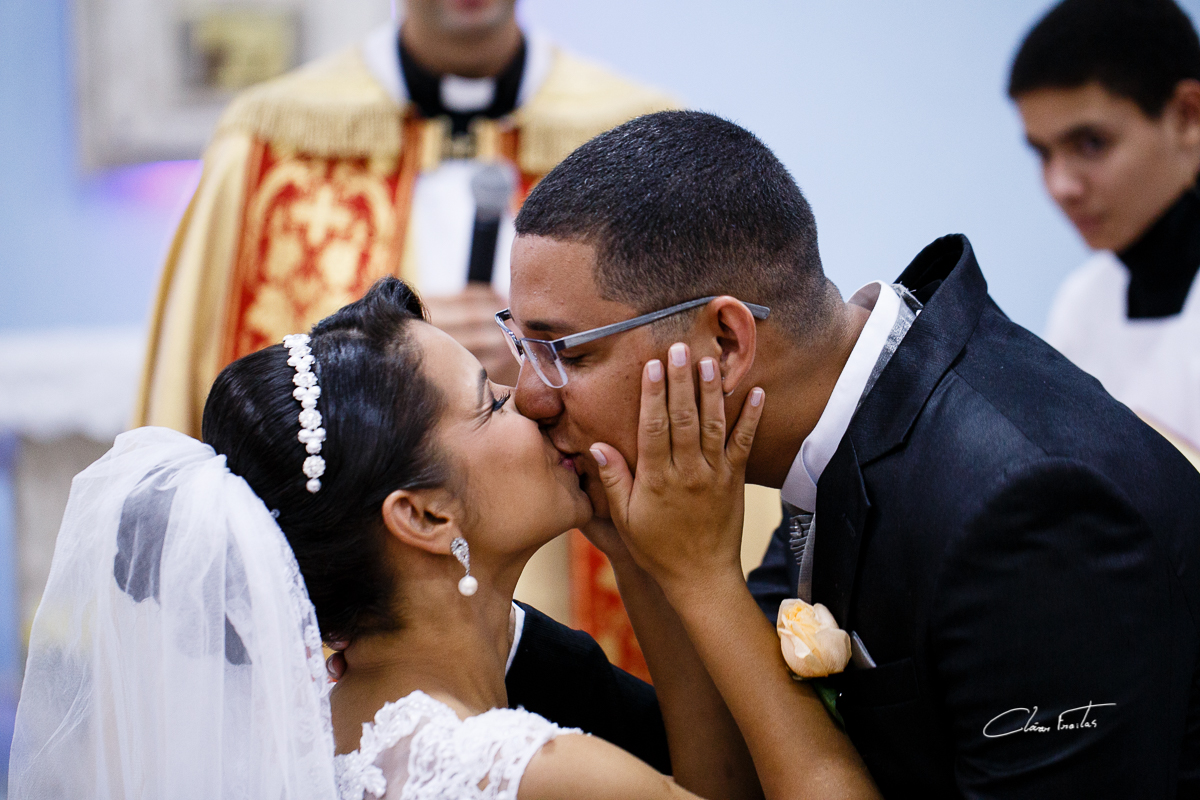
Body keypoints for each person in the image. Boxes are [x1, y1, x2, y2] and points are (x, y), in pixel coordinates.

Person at [501, 110, 1200, 797]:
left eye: (566, 353)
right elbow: (737, 777)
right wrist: (645, 558)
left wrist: (699, 574)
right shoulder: (845, 423)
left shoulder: (1027, 512)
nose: (531, 396)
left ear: (726, 343)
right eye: (521, 347)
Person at [10, 278, 772, 799]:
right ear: (425, 517)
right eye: (490, 402)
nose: (534, 400)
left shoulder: (322, 746)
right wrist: (696, 567)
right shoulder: (537, 773)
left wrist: (639, 560)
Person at [135, 0, 676, 436]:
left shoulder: (639, 142)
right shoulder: (265, 147)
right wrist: (385, 358)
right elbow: (208, 392)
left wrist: (541, 363)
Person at [1009, 0, 1200, 462]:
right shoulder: (1082, 303)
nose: (1060, 187)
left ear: (1188, 116)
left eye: (1091, 143)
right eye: (1043, 153)